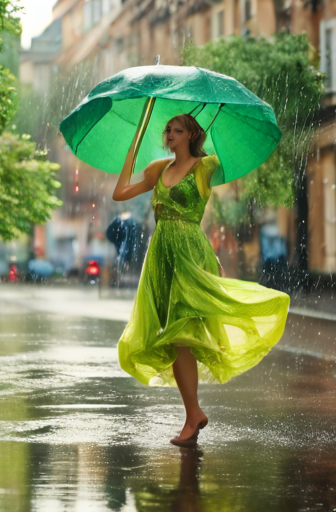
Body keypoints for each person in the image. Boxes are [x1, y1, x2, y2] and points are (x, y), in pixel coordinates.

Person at [112, 113, 290, 447]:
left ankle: (193, 415)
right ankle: (193, 413)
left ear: (192, 134)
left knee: (182, 335)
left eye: (177, 130)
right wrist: (132, 150)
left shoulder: (204, 168)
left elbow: (235, 158)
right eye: (168, 129)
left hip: (190, 254)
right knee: (177, 338)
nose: (170, 134)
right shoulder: (157, 170)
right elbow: (119, 193)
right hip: (161, 258)